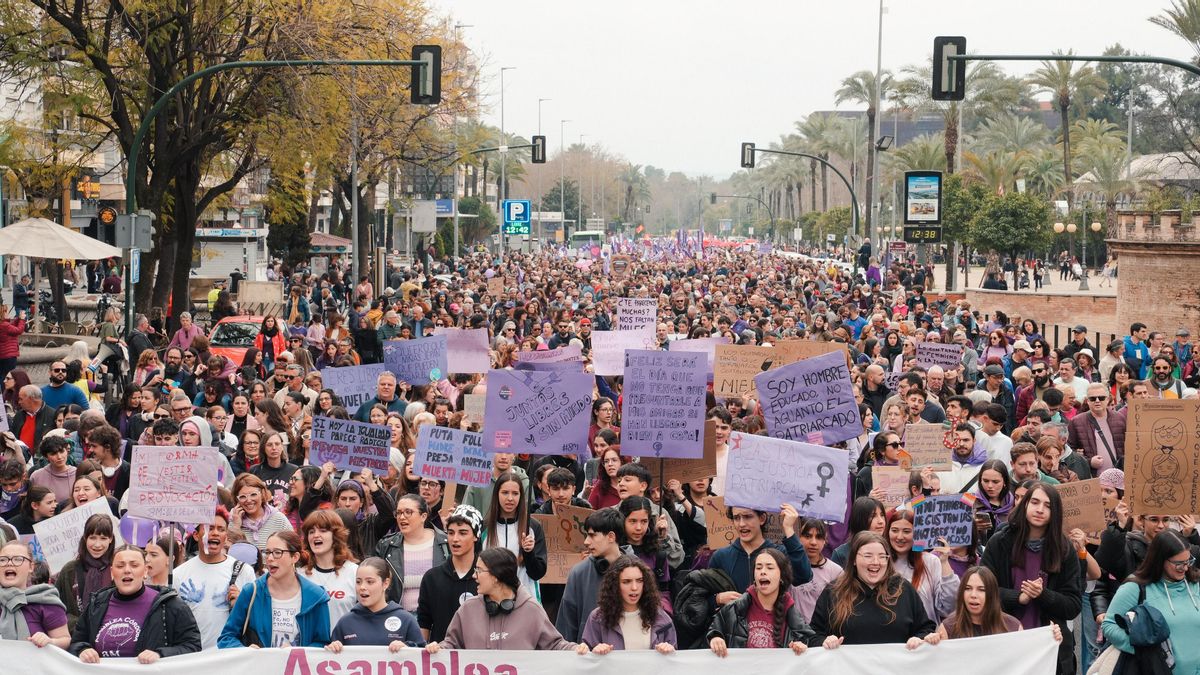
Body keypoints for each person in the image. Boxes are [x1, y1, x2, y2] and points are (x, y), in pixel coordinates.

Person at [980, 482, 1082, 674]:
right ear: (1025, 504)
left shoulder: (1064, 549)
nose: (1040, 509)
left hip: (1047, 649)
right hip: (1005, 643)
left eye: (1047, 505)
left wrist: (1043, 595)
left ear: (1055, 512)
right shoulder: (1000, 542)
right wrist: (1018, 597)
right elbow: (982, 591)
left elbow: (1073, 605)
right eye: (1035, 502)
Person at [425, 548, 588, 653]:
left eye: (479, 570)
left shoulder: (531, 609)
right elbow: (451, 644)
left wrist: (577, 649)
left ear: (496, 576)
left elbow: (554, 645)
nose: (474, 575)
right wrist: (438, 648)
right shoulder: (467, 610)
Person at [67, 544, 201, 663]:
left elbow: (192, 646)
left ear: (145, 571)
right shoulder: (96, 604)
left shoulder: (170, 604)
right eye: (120, 566)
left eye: (134, 565)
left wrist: (160, 654)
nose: (127, 570)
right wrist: (83, 650)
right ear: (112, 573)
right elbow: (76, 643)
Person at [808, 531, 939, 649]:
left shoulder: (904, 589)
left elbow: (925, 629)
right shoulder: (834, 591)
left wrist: (919, 639)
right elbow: (813, 636)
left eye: (882, 556)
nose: (876, 562)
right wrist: (825, 641)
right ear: (854, 560)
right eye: (868, 556)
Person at [1101, 529, 1200, 675]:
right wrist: (1143, 651)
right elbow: (1108, 625)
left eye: (1188, 561)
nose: (1185, 568)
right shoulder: (1135, 588)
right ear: (1160, 560)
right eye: (1178, 563)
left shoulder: (1196, 584)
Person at [218, 531, 331, 648]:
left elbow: (322, 643)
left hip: (299, 661)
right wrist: (246, 651)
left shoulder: (316, 597)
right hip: (257, 661)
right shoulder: (251, 592)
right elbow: (226, 638)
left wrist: (297, 652)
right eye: (267, 552)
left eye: (277, 552)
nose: (270, 558)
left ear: (295, 557)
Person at [174, 507, 256, 650]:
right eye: (210, 528)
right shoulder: (178, 574)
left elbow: (256, 617)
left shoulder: (244, 571)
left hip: (228, 655)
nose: (215, 533)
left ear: (226, 536)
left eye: (221, 529)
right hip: (190, 656)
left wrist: (242, 603)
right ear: (196, 535)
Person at [707, 548, 813, 656]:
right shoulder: (734, 609)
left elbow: (810, 641)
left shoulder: (791, 612)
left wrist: (800, 645)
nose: (763, 572)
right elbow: (713, 632)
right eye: (758, 568)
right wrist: (715, 638)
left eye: (769, 568)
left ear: (782, 576)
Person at [557, 508, 630, 642]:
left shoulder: (637, 570)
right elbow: (567, 625)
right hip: (588, 651)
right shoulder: (579, 573)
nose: (586, 541)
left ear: (611, 537)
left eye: (592, 535)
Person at [324, 557, 424, 653]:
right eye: (358, 582)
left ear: (385, 583)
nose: (362, 587)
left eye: (370, 582)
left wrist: (407, 649)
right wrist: (333, 648)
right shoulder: (345, 622)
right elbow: (331, 660)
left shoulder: (406, 620)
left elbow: (422, 656)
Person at [583, 555, 677, 653]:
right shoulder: (598, 618)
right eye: (626, 582)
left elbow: (674, 657)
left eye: (639, 581)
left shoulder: (661, 617)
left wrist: (668, 650)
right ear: (615, 584)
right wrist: (594, 651)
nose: (634, 587)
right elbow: (586, 654)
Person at [417, 505, 482, 643]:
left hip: (477, 653)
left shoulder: (487, 576)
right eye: (451, 533)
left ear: (476, 536)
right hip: (441, 653)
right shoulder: (432, 577)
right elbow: (424, 622)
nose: (455, 539)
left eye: (463, 533)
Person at [886, 509, 961, 623]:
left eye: (907, 531)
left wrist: (944, 562)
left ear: (918, 533)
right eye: (894, 530)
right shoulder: (881, 562)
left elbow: (948, 608)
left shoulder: (931, 561)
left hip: (926, 632)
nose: (900, 537)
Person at [374, 493, 448, 610]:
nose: (402, 517)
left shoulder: (445, 543)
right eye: (399, 513)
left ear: (423, 516)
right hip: (397, 616)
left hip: (436, 615)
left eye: (408, 512)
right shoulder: (386, 545)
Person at [481, 470, 547, 598]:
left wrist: (529, 553)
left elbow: (538, 573)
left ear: (521, 496)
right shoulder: (485, 527)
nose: (510, 498)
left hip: (526, 601)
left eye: (515, 493)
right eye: (505, 492)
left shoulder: (533, 527)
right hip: (491, 601)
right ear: (496, 494)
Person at [0, 540, 70, 648]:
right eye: (3, 560)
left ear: (31, 567)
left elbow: (65, 640)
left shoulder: (45, 600)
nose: (9, 563)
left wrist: (50, 641)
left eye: (18, 559)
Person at [55, 513, 115, 630]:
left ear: (111, 539)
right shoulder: (70, 570)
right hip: (74, 635)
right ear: (85, 538)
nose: (97, 544)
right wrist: (78, 625)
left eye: (103, 538)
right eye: (92, 537)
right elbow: (57, 608)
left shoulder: (118, 567)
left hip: (110, 635)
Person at [299, 510, 359, 627]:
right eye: (311, 532)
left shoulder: (354, 572)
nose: (316, 535)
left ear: (336, 535)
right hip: (311, 639)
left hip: (345, 638)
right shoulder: (300, 575)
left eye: (323, 530)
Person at [228, 473, 293, 551]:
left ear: (262, 494)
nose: (248, 500)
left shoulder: (279, 519)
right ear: (237, 500)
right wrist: (236, 527)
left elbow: (293, 547)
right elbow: (229, 552)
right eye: (242, 497)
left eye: (253, 495)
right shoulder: (234, 521)